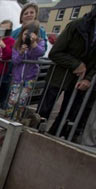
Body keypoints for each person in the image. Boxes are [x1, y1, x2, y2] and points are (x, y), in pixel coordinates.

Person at [38, 6, 96, 139]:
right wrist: (76, 64)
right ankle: (33, 135)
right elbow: (55, 52)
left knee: (68, 114)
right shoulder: (76, 26)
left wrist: (88, 78)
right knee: (44, 110)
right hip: (58, 77)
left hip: (79, 80)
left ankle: (53, 139)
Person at [5, 20, 45, 120]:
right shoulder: (17, 45)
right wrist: (21, 52)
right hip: (17, 78)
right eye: (25, 34)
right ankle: (7, 119)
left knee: (22, 101)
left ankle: (16, 120)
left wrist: (33, 44)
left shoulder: (39, 43)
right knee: (12, 100)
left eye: (30, 34)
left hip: (29, 78)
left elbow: (40, 53)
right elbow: (15, 61)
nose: (26, 37)